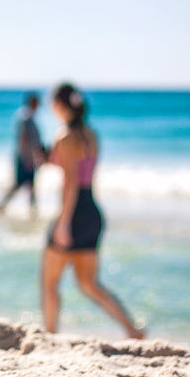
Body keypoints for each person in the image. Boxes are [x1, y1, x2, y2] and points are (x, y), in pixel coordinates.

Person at [40, 82, 142, 338]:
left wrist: (63, 222)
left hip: (73, 213)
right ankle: (132, 330)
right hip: (92, 211)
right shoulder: (91, 135)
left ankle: (50, 337)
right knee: (89, 284)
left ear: (60, 105)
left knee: (49, 283)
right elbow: (83, 173)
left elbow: (71, 181)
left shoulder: (64, 136)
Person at [0, 92, 47, 216]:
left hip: (27, 157)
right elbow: (23, 139)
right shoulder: (26, 117)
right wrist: (28, 158)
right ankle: (1, 207)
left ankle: (31, 211)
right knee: (20, 184)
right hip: (25, 158)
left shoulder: (28, 116)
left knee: (30, 186)